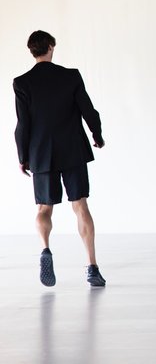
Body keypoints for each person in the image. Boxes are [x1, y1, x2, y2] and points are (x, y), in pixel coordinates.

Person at [13, 30, 107, 287]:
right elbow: (88, 109)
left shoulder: (22, 82)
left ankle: (45, 249)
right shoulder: (70, 76)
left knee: (44, 208)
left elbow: (23, 124)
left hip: (41, 152)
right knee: (80, 205)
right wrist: (96, 134)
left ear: (31, 51)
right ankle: (92, 267)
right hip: (72, 148)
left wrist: (23, 156)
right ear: (51, 47)